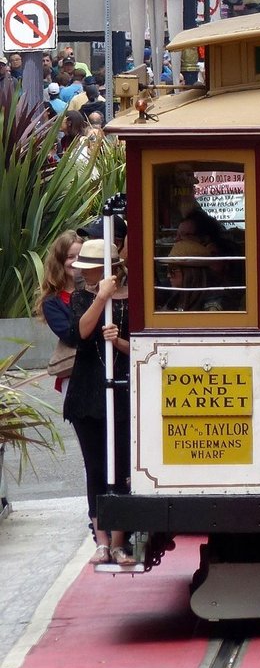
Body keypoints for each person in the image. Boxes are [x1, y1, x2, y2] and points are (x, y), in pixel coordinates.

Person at [64, 237, 133, 566]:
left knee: (121, 466)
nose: (85, 275)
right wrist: (101, 296)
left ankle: (120, 540)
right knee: (95, 467)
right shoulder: (82, 296)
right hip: (88, 392)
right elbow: (81, 333)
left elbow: (143, 347)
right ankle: (101, 540)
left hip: (122, 390)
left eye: (89, 270)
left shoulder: (134, 298)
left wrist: (117, 340)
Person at [33, 230, 82, 393]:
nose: (76, 261)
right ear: (59, 261)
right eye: (70, 257)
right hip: (75, 375)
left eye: (81, 256)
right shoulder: (52, 302)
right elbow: (71, 335)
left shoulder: (101, 288)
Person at [161, 239, 225, 312]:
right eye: (168, 270)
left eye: (172, 270)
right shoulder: (179, 294)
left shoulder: (213, 300)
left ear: (191, 272)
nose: (168, 275)